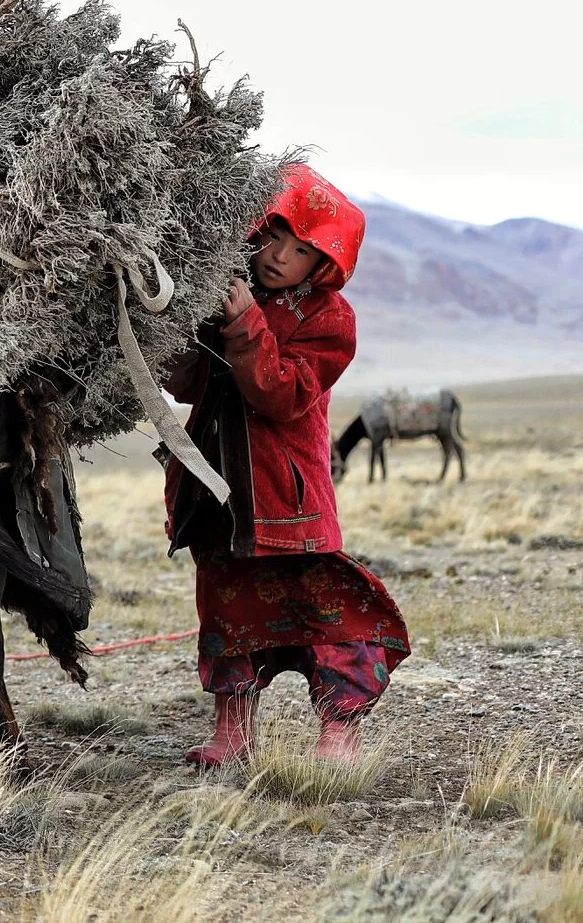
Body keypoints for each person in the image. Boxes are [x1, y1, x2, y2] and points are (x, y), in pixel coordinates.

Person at [164, 163, 409, 767]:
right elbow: (188, 381)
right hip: (219, 491)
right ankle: (234, 735)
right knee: (225, 608)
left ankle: (339, 734)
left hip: (288, 501)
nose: (278, 257)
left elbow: (281, 394)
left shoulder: (330, 320)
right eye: (275, 237)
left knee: (331, 613)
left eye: (301, 250)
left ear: (323, 266)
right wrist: (178, 319)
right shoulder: (226, 291)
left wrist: (245, 325)